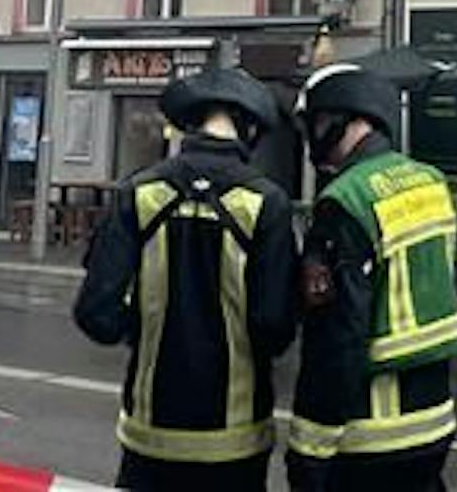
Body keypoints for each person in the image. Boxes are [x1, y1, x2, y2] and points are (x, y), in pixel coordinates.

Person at [73, 68, 297, 490]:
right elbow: (275, 327)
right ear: (248, 129)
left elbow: (95, 313)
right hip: (235, 441)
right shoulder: (266, 203)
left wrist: (144, 330)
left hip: (149, 435)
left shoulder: (138, 193)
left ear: (190, 123)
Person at [286, 62, 457, 491]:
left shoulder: (345, 202)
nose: (313, 137)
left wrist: (308, 450)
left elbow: (335, 339)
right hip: (435, 422)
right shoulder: (430, 182)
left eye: (318, 122)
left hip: (373, 436)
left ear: (348, 118)